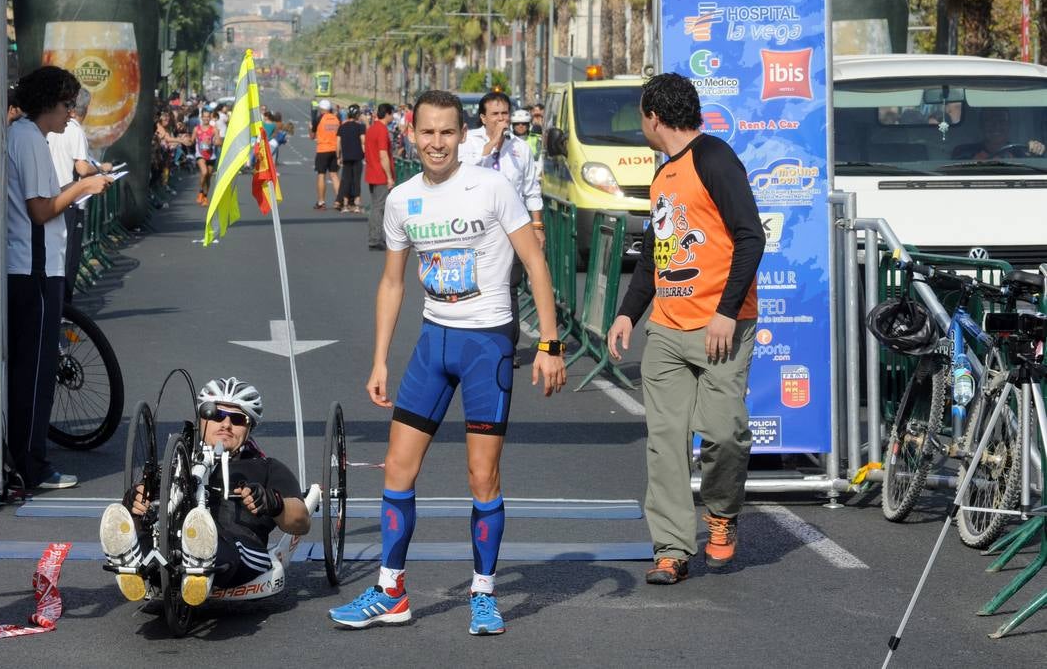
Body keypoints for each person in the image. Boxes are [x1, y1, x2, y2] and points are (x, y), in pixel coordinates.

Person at [328, 90, 567, 636]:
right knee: (397, 468)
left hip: (486, 346)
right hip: (433, 344)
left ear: (464, 135)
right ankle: (391, 590)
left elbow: (534, 262)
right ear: (411, 135)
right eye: (427, 133)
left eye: (447, 133)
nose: (436, 143)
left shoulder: (492, 186)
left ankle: (483, 593)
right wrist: (379, 360)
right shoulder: (401, 199)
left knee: (482, 476)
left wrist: (550, 344)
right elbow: (391, 283)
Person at [606, 72, 765, 586]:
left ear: (654, 117)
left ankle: (721, 513)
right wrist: (629, 313)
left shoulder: (714, 158)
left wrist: (726, 309)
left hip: (722, 326)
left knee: (725, 434)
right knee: (665, 440)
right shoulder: (662, 176)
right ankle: (672, 547)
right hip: (668, 331)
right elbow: (655, 255)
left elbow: (750, 236)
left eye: (641, 118)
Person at [98, 377, 310, 606]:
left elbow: (301, 521)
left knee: (225, 548)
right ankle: (133, 560)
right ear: (201, 419)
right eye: (216, 415)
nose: (226, 424)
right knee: (147, 533)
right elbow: (147, 507)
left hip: (239, 549)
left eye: (238, 419)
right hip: (174, 544)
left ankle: (199, 561)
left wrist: (272, 502)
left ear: (249, 427)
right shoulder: (177, 463)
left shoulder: (266, 467)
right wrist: (136, 502)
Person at [6, 67, 114, 491]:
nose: (72, 113)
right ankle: (32, 464)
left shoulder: (26, 135)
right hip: (34, 266)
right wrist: (84, 186)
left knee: (28, 368)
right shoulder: (30, 138)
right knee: (35, 371)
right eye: (67, 104)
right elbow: (40, 209)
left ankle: (26, 457)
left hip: (32, 264)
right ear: (49, 103)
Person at [459, 92, 544, 361]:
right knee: (475, 286)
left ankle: (508, 346)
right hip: (474, 228)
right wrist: (491, 146)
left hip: (511, 230)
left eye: (505, 114)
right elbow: (461, 175)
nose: (501, 119)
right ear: (483, 118)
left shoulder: (521, 148)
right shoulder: (467, 142)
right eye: (495, 114)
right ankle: (474, 340)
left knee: (509, 288)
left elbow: (531, 188)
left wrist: (538, 225)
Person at [45, 88, 112, 301]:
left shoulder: (47, 129)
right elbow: (83, 168)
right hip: (70, 201)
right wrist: (101, 169)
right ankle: (64, 307)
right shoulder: (74, 130)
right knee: (69, 257)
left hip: (49, 198)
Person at [951, 107, 1045, 161]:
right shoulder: (964, 152)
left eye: (1002, 120)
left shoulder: (1021, 153)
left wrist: (1035, 152)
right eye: (989, 120)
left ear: (1009, 125)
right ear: (981, 125)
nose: (996, 125)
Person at [364, 103, 396, 251]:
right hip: (380, 174)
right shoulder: (382, 130)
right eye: (392, 114)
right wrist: (389, 177)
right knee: (379, 207)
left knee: (376, 206)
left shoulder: (371, 129)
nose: (393, 116)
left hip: (372, 171)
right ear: (387, 114)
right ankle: (375, 238)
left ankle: (375, 237)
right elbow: (383, 154)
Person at [335, 103, 366, 213]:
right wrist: (365, 153)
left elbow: (337, 143)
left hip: (346, 156)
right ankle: (357, 205)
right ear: (357, 115)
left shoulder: (342, 127)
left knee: (346, 180)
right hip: (357, 156)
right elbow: (363, 141)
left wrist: (338, 156)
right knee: (356, 181)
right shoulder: (360, 127)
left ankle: (345, 205)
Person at [312, 98, 340, 209]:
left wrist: (310, 129)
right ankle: (339, 200)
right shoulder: (336, 119)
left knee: (321, 174)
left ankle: (321, 202)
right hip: (334, 149)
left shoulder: (319, 119)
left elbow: (312, 136)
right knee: (334, 175)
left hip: (323, 149)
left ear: (321, 109)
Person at [193, 107, 218, 206]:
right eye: (204, 117)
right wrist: (184, 140)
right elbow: (191, 140)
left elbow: (218, 141)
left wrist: (216, 141)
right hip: (200, 154)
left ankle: (205, 197)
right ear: (201, 117)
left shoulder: (214, 129)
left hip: (211, 155)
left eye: (208, 117)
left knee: (208, 177)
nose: (206, 119)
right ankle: (200, 192)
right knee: (204, 172)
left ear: (210, 118)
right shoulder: (197, 129)